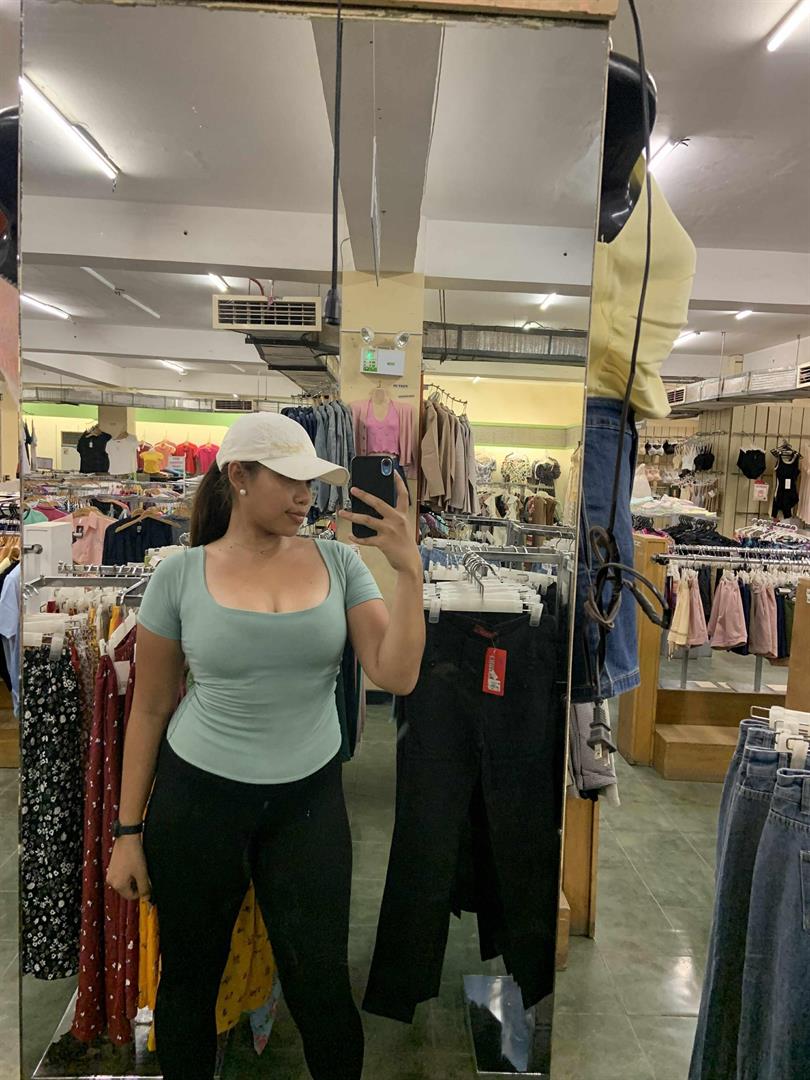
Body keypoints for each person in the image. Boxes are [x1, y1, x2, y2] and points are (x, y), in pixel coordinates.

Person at [105, 412, 425, 1080]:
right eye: (289, 479)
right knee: (189, 981)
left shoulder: (340, 562)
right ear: (239, 477)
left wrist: (409, 573)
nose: (306, 496)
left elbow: (395, 674)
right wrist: (127, 832)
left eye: (311, 481)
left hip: (307, 804)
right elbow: (151, 709)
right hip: (198, 803)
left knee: (322, 989)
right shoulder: (180, 574)